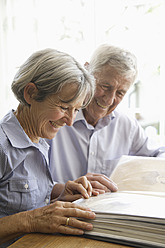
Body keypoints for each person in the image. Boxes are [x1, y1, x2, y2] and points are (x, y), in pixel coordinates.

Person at [0, 48, 97, 246]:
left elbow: (16, 193)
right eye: (63, 107)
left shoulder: (39, 139)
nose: (70, 121)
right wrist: (32, 220)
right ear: (31, 93)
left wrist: (60, 193)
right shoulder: (3, 147)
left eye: (76, 110)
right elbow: (28, 217)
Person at [48, 44, 165, 193]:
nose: (109, 100)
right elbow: (34, 185)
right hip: (61, 212)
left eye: (120, 93)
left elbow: (159, 155)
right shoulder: (55, 118)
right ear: (86, 71)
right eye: (105, 86)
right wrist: (65, 189)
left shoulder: (126, 125)